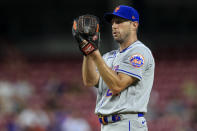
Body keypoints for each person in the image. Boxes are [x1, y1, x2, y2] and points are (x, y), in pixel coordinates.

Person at [80, 5, 155, 131]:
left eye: (119, 22)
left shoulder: (139, 52)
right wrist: (88, 52)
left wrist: (96, 55)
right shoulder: (109, 56)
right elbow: (90, 81)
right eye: (113, 22)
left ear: (134, 25)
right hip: (108, 125)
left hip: (127, 123)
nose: (114, 26)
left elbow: (117, 86)